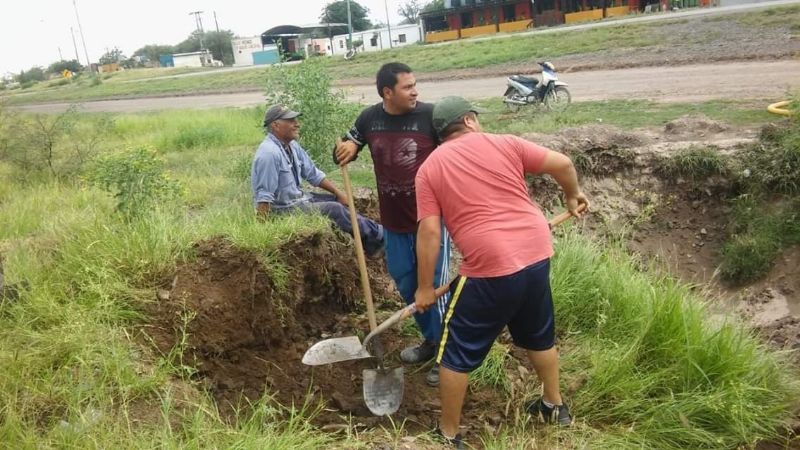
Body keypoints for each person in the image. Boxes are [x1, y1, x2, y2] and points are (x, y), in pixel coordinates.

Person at [413, 96, 590, 448]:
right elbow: (563, 163)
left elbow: (431, 233)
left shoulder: (429, 168)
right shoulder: (505, 143)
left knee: (454, 352)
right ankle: (554, 405)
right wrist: (573, 195)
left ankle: (448, 435)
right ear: (469, 120)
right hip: (536, 252)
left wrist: (423, 288)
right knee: (539, 334)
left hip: (490, 265)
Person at [334, 62, 451, 387]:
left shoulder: (431, 117)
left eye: (415, 84)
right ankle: (431, 340)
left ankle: (448, 355)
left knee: (436, 290)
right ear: (388, 92)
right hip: (394, 222)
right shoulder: (370, 118)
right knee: (407, 284)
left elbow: (461, 151)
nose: (415, 91)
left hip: (431, 221)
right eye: (407, 87)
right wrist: (348, 147)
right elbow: (349, 144)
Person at [252, 104, 384, 256]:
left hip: (299, 200)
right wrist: (260, 234)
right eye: (291, 120)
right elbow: (264, 197)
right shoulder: (269, 154)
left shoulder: (292, 146)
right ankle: (381, 239)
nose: (297, 123)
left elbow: (313, 174)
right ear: (275, 125)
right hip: (284, 211)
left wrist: (338, 193)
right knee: (335, 209)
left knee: (337, 201)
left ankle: (372, 236)